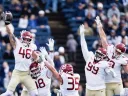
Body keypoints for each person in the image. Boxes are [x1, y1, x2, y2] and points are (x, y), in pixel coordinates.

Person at [0, 11, 38, 96]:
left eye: (28, 39)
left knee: (35, 93)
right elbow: (10, 32)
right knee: (9, 93)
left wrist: (38, 62)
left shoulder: (32, 47)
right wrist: (7, 23)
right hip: (17, 73)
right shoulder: (17, 44)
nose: (26, 41)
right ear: (22, 38)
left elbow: (36, 57)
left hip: (27, 73)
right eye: (25, 39)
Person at [79, 24, 116, 96]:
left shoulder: (104, 63)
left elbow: (110, 74)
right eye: (97, 53)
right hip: (89, 88)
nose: (97, 56)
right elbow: (84, 47)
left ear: (103, 57)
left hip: (100, 89)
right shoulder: (90, 57)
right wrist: (82, 35)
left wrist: (111, 71)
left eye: (100, 55)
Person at [95, 16, 128, 96]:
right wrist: (99, 26)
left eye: (119, 52)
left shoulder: (123, 59)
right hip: (107, 82)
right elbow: (103, 38)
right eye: (116, 50)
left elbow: (127, 71)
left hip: (117, 82)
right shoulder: (109, 49)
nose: (117, 52)